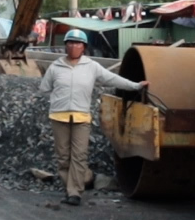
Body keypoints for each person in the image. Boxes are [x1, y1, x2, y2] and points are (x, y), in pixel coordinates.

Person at [39, 29, 146, 206]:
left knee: (79, 155)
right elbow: (44, 88)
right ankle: (70, 186)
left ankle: (75, 193)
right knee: (63, 157)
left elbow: (112, 79)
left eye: (78, 43)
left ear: (84, 47)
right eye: (70, 43)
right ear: (65, 46)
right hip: (59, 117)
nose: (74, 46)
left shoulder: (91, 67)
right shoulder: (56, 67)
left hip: (81, 118)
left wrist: (135, 86)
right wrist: (58, 98)